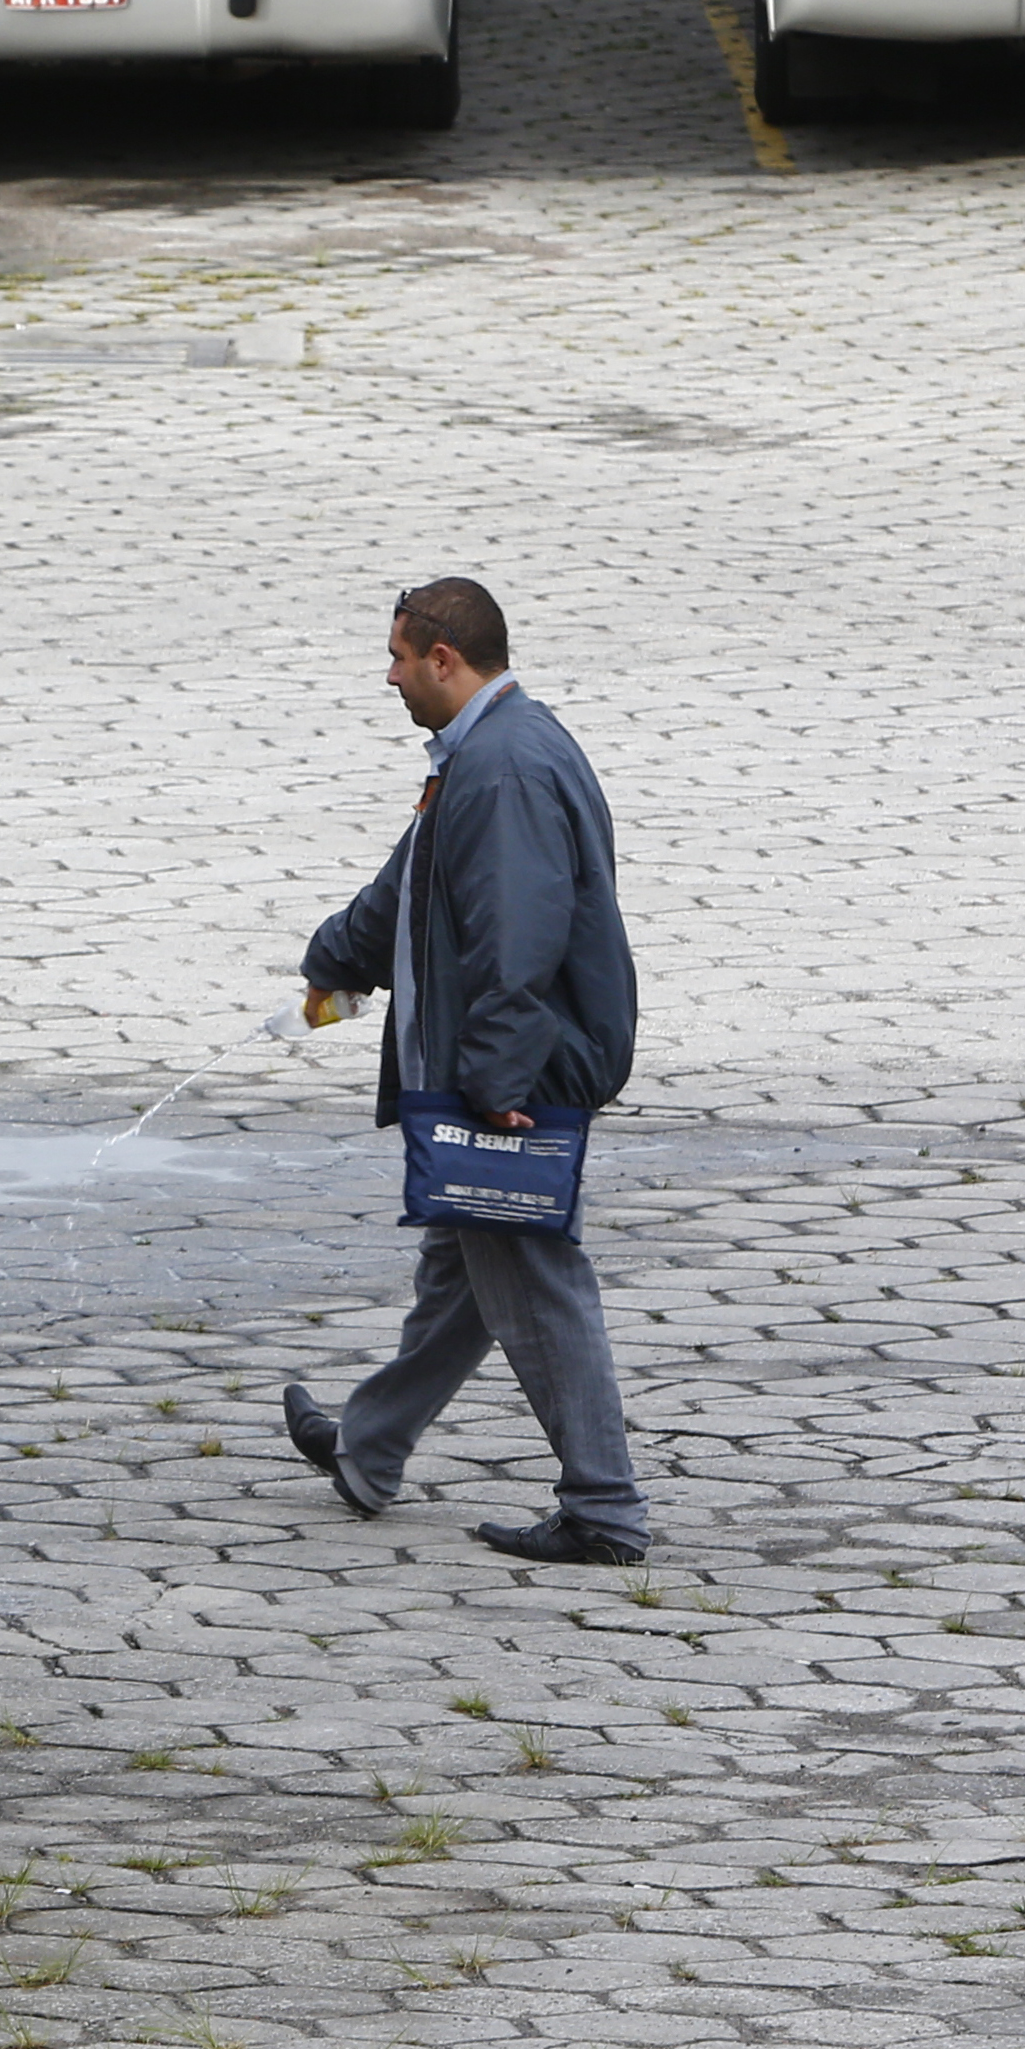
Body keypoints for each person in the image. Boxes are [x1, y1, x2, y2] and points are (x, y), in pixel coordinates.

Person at [279, 578, 648, 1563]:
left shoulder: (505, 768)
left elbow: (515, 943)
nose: (388, 672)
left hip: (514, 1069)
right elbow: (414, 881)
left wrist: (499, 1084)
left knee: (530, 1271)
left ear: (445, 659)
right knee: (463, 1269)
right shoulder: (489, 751)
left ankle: (605, 1510)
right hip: (500, 1055)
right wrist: (335, 960)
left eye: (399, 655)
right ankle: (369, 1451)